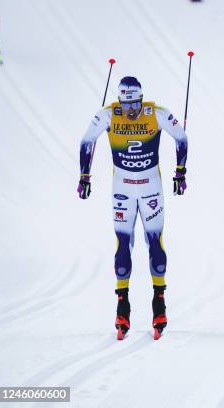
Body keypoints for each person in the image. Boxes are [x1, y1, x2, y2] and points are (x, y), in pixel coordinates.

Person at [77, 76, 188, 340]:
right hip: (122, 189)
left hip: (151, 188)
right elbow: (86, 141)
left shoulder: (156, 113)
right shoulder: (109, 113)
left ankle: (159, 306)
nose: (129, 111)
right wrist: (84, 176)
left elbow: (182, 138)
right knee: (123, 244)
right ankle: (122, 309)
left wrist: (180, 172)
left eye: (133, 105)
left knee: (155, 243)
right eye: (125, 105)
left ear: (140, 99)